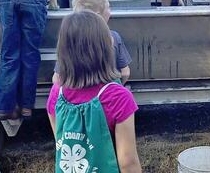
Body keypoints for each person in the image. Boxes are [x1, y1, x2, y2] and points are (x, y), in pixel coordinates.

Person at [47, 11, 141, 173]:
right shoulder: (119, 97)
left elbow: (61, 142)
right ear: (104, 47)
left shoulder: (57, 93)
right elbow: (128, 163)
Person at [51, 0, 132, 86]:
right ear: (97, 15)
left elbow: (57, 78)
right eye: (108, 8)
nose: (110, 12)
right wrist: (118, 86)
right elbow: (125, 72)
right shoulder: (113, 37)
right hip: (107, 92)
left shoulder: (69, 38)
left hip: (75, 93)